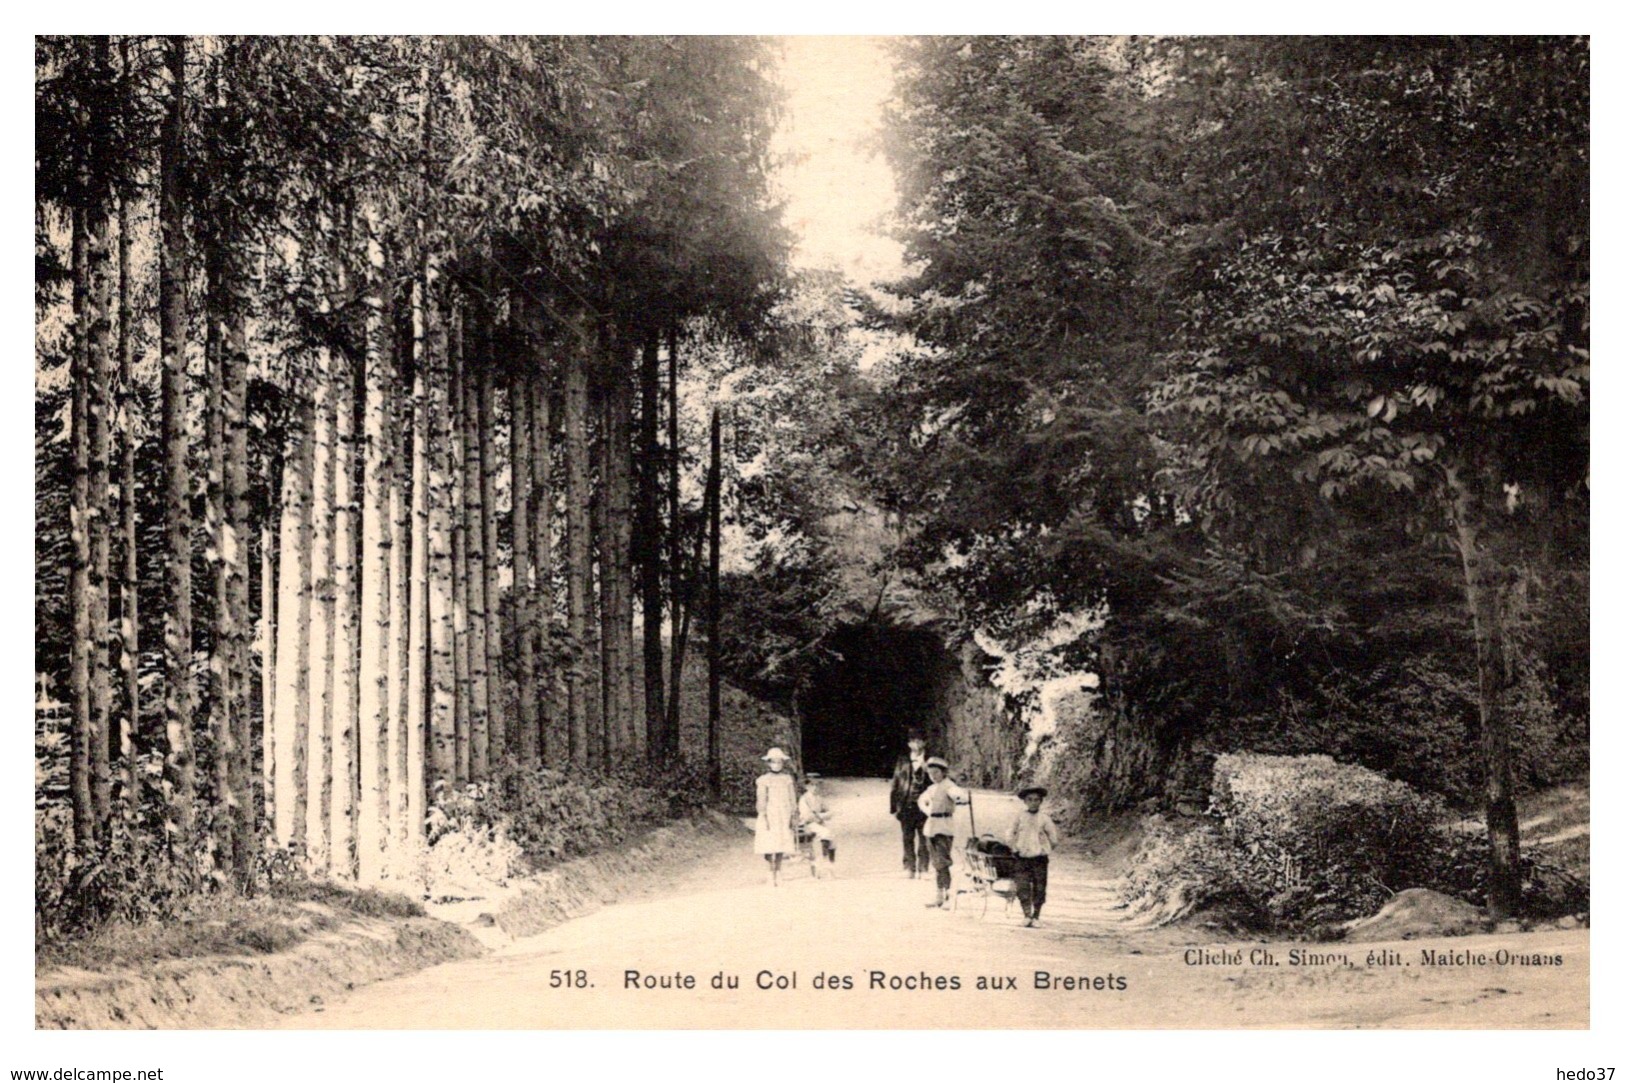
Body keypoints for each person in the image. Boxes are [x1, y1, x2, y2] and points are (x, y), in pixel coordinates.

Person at [916, 757, 969, 908]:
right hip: (931, 827)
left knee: (942, 862)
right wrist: (928, 811)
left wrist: (961, 798)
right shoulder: (932, 788)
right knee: (936, 862)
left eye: (936, 772)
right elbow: (922, 800)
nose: (933, 776)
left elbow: (959, 795)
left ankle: (948, 896)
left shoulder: (949, 786)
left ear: (943, 772)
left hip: (944, 827)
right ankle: (939, 895)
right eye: (930, 773)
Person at [1006, 785, 1060, 927]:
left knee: (1040, 887)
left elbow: (1053, 837)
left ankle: (1036, 916)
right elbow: (1010, 833)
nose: (1033, 802)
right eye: (1030, 800)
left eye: (1037, 800)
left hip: (1039, 858)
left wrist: (1046, 849)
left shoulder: (1044, 819)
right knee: (1022, 886)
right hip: (1022, 857)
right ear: (1025, 801)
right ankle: (1026, 915)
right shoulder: (1019, 817)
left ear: (1041, 801)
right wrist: (1014, 847)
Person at [889, 734, 931, 878]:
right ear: (908, 744)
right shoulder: (903, 760)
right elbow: (895, 782)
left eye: (919, 741)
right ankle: (909, 867)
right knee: (907, 837)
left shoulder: (930, 760)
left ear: (925, 742)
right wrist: (893, 807)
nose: (916, 744)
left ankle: (924, 868)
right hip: (906, 804)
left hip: (926, 806)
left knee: (925, 837)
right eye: (912, 741)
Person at [755, 747, 798, 886]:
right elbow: (761, 799)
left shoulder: (787, 779)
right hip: (769, 815)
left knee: (781, 842)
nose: (776, 764)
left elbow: (792, 798)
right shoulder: (763, 780)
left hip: (783, 814)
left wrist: (793, 813)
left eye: (779, 762)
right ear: (768, 763)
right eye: (773, 761)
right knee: (768, 844)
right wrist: (763, 814)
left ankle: (778, 871)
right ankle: (770, 871)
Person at [798, 773, 836, 873]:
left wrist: (825, 815)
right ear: (807, 786)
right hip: (808, 824)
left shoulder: (819, 798)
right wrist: (821, 816)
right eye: (811, 785)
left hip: (819, 823)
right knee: (826, 833)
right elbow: (807, 816)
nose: (814, 787)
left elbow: (828, 811)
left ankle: (831, 864)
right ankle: (824, 858)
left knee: (832, 838)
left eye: (816, 785)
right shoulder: (804, 799)